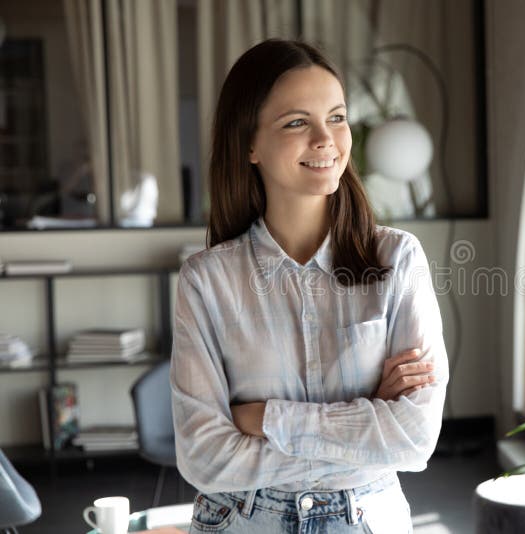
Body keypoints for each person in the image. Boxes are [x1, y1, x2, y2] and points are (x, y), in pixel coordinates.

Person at [170, 39, 448, 533]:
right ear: (249, 144)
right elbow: (204, 458)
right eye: (297, 122)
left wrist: (264, 418)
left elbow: (415, 438)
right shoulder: (206, 281)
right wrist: (365, 428)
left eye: (337, 118)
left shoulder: (397, 259)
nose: (326, 139)